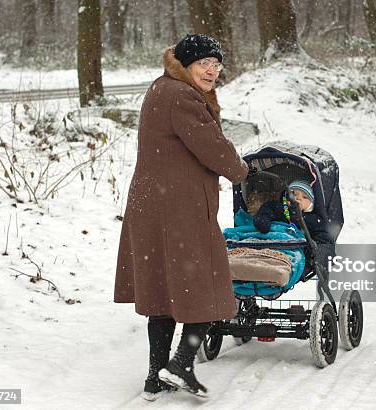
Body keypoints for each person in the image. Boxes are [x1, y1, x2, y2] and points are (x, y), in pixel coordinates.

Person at [113, 34, 248, 400]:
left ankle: (155, 376)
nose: (211, 70)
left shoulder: (162, 88)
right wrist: (243, 172)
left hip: (154, 205)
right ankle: (181, 364)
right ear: (186, 64)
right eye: (204, 62)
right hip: (179, 208)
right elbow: (212, 147)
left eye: (217, 64)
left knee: (164, 291)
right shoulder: (182, 96)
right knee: (206, 284)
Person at [253, 180, 331, 245]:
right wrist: (263, 221)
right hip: (273, 239)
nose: (298, 198)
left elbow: (323, 235)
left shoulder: (313, 219)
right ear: (286, 196)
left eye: (305, 197)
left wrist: (312, 245)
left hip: (296, 246)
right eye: (294, 194)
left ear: (311, 205)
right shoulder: (277, 207)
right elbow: (265, 211)